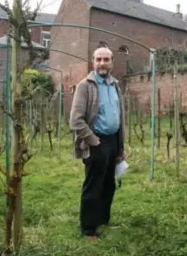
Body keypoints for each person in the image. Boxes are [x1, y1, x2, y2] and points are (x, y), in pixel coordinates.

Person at [69, 47, 125, 242]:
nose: (102, 63)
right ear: (93, 61)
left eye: (106, 59)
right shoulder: (85, 85)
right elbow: (75, 120)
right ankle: (89, 229)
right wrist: (93, 141)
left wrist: (120, 148)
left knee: (108, 185)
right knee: (93, 186)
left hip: (112, 141)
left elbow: (120, 117)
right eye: (99, 59)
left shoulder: (114, 85)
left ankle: (102, 220)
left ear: (112, 62)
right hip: (96, 142)